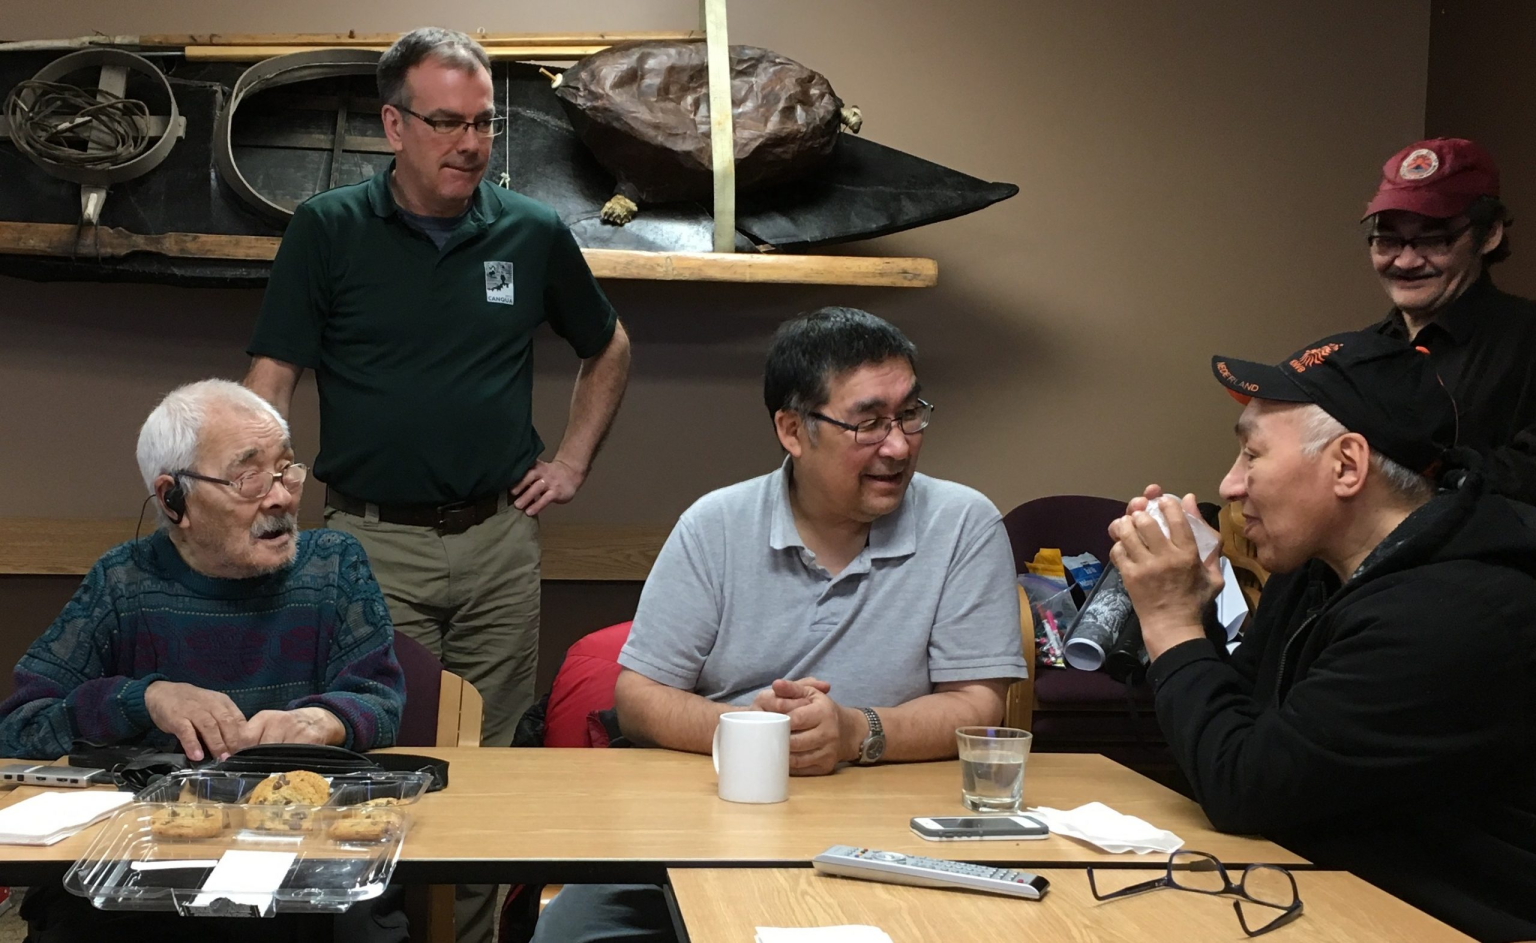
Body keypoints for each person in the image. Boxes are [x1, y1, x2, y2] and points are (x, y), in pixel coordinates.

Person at [530, 307, 1027, 943]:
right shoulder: (715, 525)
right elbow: (638, 697)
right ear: (793, 430)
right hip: (707, 817)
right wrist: (758, 735)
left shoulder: (963, 524)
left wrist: (853, 732)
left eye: (909, 414)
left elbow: (979, 706)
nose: (898, 444)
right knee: (568, 937)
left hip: (887, 827)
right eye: (869, 423)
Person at [1111, 331, 1536, 943]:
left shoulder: (1454, 614)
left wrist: (1170, 621)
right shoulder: (1318, 571)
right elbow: (1234, 741)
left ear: (1346, 465)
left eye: (1251, 456)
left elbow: (1243, 788)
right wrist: (1197, 615)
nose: (1230, 486)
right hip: (1323, 898)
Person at [0, 378, 406, 942]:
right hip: (148, 862)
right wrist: (144, 697)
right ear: (173, 499)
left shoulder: (333, 565)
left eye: (287, 469)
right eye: (249, 477)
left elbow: (380, 701)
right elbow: (20, 726)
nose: (283, 496)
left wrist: (317, 721)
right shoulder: (123, 581)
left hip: (303, 860)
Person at [1361, 137, 1536, 503]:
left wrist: (1422, 472)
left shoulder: (1527, 340)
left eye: (1434, 239)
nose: (1406, 262)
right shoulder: (1359, 353)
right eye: (1388, 241)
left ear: (1489, 235)